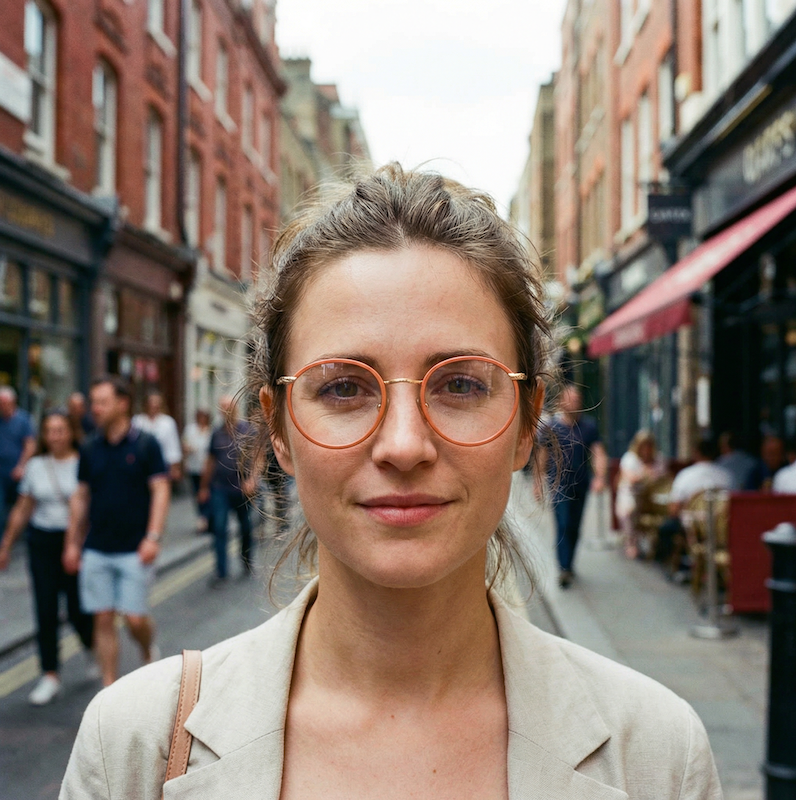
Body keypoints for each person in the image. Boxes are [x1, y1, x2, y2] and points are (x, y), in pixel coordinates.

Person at [62, 165, 721, 799]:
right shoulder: (134, 747)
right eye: (343, 388)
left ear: (526, 424)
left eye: (460, 385)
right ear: (279, 429)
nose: (404, 445)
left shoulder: (657, 755)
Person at [63, 377, 170, 686]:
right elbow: (81, 496)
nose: (95, 408)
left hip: (135, 548)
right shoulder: (89, 447)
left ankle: (147, 647)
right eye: (93, 402)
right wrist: (72, 543)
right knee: (103, 618)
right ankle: (108, 688)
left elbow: (161, 490)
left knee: (135, 619)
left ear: (122, 404)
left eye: (102, 402)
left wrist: (153, 537)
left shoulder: (146, 444)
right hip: (97, 547)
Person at [0, 409, 96, 705]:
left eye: (60, 430)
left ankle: (91, 645)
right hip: (42, 542)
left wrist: (76, 545)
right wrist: (6, 545)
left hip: (76, 542)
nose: (54, 436)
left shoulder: (83, 462)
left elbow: (88, 508)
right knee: (45, 608)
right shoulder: (36, 466)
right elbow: (23, 508)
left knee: (78, 607)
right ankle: (50, 674)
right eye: (49, 431)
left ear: (71, 432)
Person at [538, 384, 608, 587]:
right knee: (563, 523)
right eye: (570, 399)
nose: (574, 403)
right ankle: (563, 568)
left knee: (575, 526)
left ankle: (569, 564)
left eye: (577, 400)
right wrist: (537, 482)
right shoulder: (551, 427)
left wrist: (600, 477)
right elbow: (542, 455)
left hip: (581, 484)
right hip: (558, 484)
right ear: (562, 402)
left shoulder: (588, 426)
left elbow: (598, 453)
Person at [198, 396, 257, 585]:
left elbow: (258, 457)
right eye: (223, 408)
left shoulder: (248, 430)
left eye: (229, 407)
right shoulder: (216, 433)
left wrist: (253, 479)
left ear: (236, 408)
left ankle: (246, 560)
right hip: (220, 488)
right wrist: (203, 487)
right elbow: (210, 461)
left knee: (245, 527)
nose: (226, 411)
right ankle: (221, 571)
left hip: (242, 489)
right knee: (219, 528)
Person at [657, 438, 733, 573]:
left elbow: (673, 510)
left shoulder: (686, 475)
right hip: (723, 528)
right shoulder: (727, 475)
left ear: (696, 453)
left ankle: (675, 567)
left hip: (694, 529)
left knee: (666, 528)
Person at [615, 429, 667, 559]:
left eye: (649, 446)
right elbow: (630, 478)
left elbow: (663, 478)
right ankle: (631, 542)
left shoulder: (659, 458)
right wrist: (646, 473)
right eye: (644, 446)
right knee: (628, 509)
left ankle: (659, 544)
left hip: (652, 495)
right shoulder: (630, 458)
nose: (646, 450)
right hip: (631, 494)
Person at [0, 386, 36, 531]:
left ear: (13, 402)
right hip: (1, 471)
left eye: (4, 403)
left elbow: (30, 445)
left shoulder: (23, 420)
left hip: (18, 470)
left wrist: (22, 466)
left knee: (21, 507)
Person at [132, 392, 183, 483]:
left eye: (157, 402)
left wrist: (175, 467)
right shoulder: (137, 421)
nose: (154, 405)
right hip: (140, 465)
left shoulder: (168, 422)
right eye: (151, 402)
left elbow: (173, 446)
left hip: (163, 466)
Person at [182, 409, 212, 531]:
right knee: (197, 492)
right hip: (194, 467)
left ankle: (207, 517)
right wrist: (188, 449)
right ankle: (202, 517)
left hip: (207, 469)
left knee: (207, 492)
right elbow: (184, 444)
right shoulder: (190, 429)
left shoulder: (211, 431)